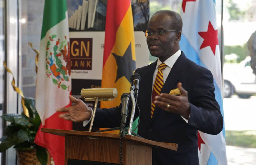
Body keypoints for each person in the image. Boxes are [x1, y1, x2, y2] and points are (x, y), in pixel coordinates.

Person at [58, 10, 223, 165]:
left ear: (177, 35)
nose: (152, 37)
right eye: (149, 32)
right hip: (140, 159)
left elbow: (215, 122)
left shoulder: (196, 74)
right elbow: (126, 113)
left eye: (160, 32)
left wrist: (187, 110)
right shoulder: (142, 74)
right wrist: (90, 113)